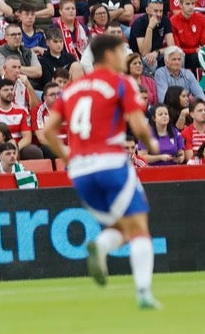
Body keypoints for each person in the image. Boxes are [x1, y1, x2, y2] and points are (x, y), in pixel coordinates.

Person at [37, 31, 161, 310]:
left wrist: (68, 157)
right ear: (108, 55)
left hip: (80, 171)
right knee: (139, 227)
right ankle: (143, 293)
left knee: (122, 226)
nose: (126, 57)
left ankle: (102, 246)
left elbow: (48, 131)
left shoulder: (72, 88)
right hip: (111, 162)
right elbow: (139, 126)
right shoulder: (121, 83)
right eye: (121, 52)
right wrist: (151, 143)